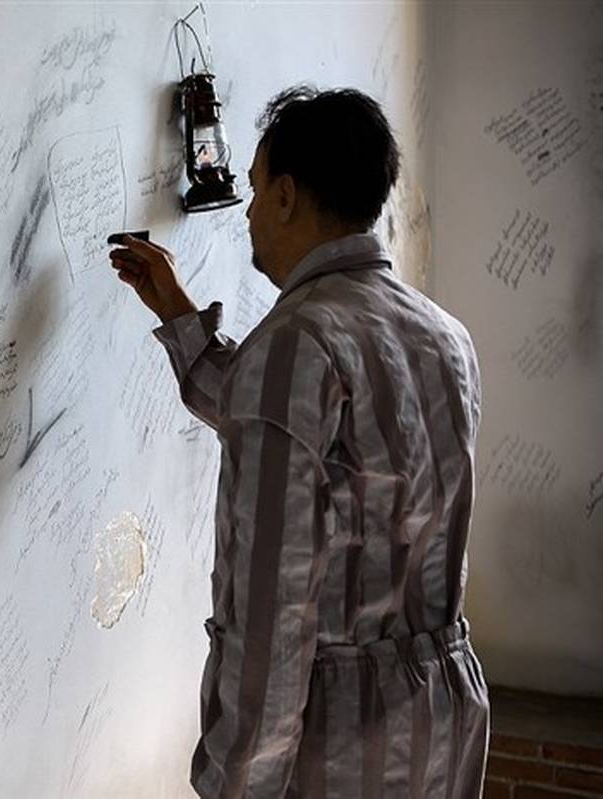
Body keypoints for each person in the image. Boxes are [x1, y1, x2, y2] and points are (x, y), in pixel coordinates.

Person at [110, 87, 490, 798]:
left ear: (286, 196)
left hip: (339, 749)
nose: (248, 210)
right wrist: (181, 316)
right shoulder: (444, 336)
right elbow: (303, 432)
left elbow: (271, 618)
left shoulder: (296, 345)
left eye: (256, 189)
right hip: (440, 724)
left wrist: (236, 782)